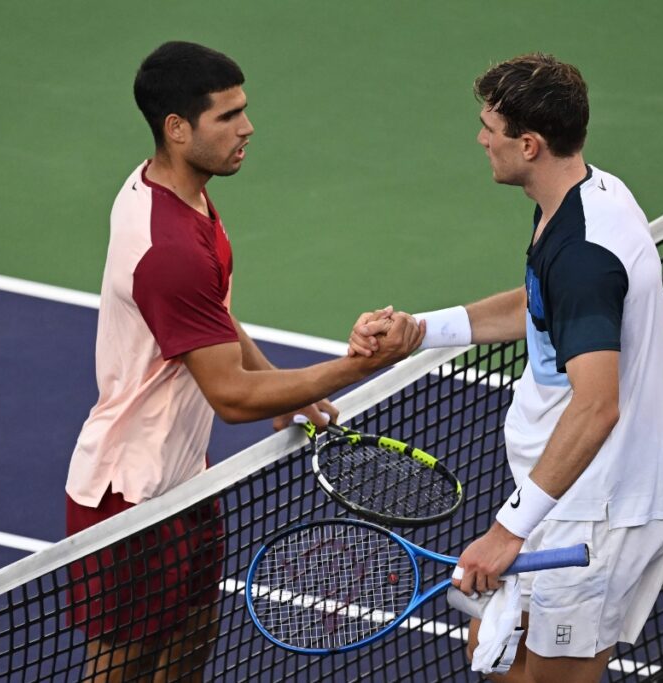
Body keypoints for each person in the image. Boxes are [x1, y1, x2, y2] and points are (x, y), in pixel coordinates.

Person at [65, 41, 424, 683]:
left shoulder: (178, 195)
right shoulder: (170, 249)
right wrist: (357, 366)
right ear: (178, 129)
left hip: (187, 482)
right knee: (124, 670)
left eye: (244, 111)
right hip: (130, 500)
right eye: (228, 116)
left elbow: (213, 315)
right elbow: (230, 398)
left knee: (190, 647)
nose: (247, 128)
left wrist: (282, 389)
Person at [350, 53, 663, 683]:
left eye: (490, 127)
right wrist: (422, 330)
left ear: (529, 145)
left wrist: (507, 531)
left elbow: (597, 404)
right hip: (559, 494)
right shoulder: (583, 197)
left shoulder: (585, 254)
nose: (481, 138)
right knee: (489, 645)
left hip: (598, 509)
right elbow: (539, 306)